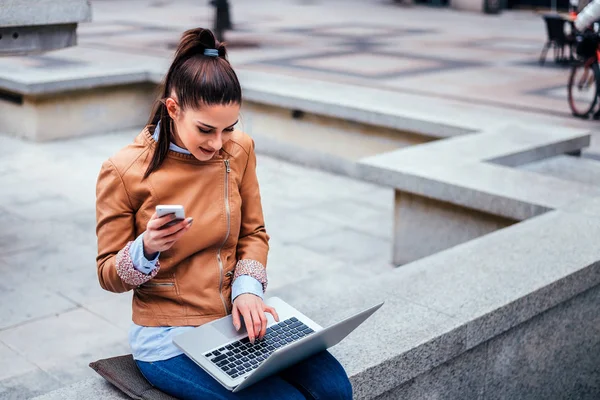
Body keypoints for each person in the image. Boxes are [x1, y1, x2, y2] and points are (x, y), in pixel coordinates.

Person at [95, 27, 353, 400]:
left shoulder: (240, 150)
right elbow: (107, 273)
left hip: (236, 318)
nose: (218, 143)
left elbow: (254, 232)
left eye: (228, 128)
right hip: (169, 336)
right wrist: (145, 248)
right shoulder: (124, 170)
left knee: (335, 390)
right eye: (206, 130)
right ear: (173, 108)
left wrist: (247, 292)